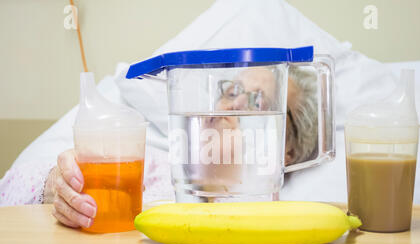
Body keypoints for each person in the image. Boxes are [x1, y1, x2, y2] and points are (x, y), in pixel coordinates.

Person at [0, 64, 317, 228]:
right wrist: (56, 186)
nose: (232, 106)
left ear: (287, 149)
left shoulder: (285, 216)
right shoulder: (150, 167)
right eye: (232, 90)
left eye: (258, 101)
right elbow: (7, 193)